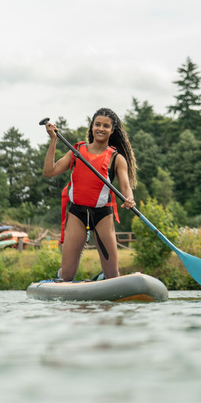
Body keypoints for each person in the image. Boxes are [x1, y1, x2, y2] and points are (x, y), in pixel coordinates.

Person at [43, 108, 137, 281]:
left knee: (112, 275)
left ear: (112, 130)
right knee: (68, 276)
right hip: (77, 213)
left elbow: (125, 186)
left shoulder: (117, 158)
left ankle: (102, 279)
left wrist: (129, 198)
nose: (101, 128)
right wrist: (53, 140)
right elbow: (49, 171)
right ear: (92, 127)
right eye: (97, 124)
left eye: (106, 126)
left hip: (103, 214)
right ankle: (60, 276)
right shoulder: (76, 152)